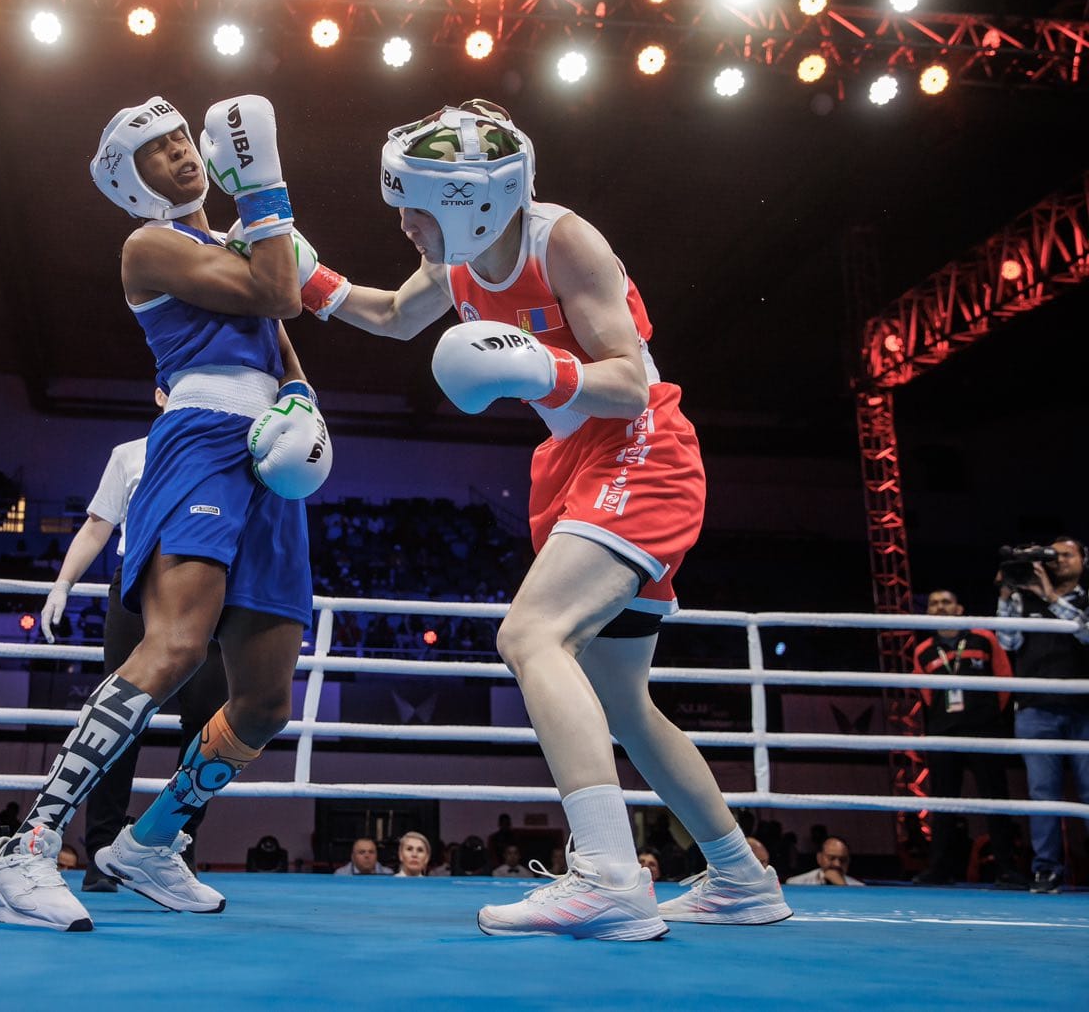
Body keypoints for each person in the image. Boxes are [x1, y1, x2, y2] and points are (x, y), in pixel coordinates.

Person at [318, 100, 789, 938]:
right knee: (622, 702)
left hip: (639, 449)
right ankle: (740, 876)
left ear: (474, 202)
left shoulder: (564, 241)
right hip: (573, 462)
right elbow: (391, 314)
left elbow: (630, 384)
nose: (403, 223)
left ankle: (609, 875)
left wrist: (540, 368)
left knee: (531, 636)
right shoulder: (458, 259)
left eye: (416, 206)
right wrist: (303, 277)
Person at [0, 93, 329, 931]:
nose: (181, 152)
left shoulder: (233, 241)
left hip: (269, 453)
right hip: (201, 439)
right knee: (176, 645)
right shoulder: (150, 246)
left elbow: (282, 341)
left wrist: (303, 399)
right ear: (131, 182)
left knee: (266, 699)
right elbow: (279, 295)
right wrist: (264, 183)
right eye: (157, 149)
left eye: (180, 137)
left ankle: (151, 843)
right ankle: (23, 848)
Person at [39, 390, 230, 895]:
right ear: (162, 394)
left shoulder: (227, 450)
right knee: (120, 722)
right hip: (137, 585)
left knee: (207, 729)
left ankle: (171, 849)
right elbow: (96, 526)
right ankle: (102, 855)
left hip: (209, 587)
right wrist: (62, 583)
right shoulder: (129, 454)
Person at [996, 537, 1089, 894]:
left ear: (1083, 560)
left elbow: (1085, 633)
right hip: (1036, 708)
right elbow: (1007, 642)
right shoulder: (1024, 598)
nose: (1059, 560)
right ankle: (1046, 869)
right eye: (1054, 555)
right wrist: (1007, 591)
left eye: (1067, 555)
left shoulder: (1085, 598)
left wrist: (1050, 596)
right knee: (1042, 793)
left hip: (1083, 709)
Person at [911, 589, 1014, 885]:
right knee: (943, 801)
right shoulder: (923, 650)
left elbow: (1004, 681)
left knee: (996, 799)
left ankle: (1007, 868)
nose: (940, 607)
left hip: (984, 729)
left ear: (959, 609)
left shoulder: (984, 637)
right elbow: (927, 695)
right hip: (944, 731)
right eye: (933, 603)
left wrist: (986, 715)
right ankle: (939, 869)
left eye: (946, 602)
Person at [786, 836, 865, 886]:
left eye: (843, 860)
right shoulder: (796, 883)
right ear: (819, 858)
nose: (837, 864)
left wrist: (842, 886)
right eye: (831, 858)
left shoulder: (859, 887)